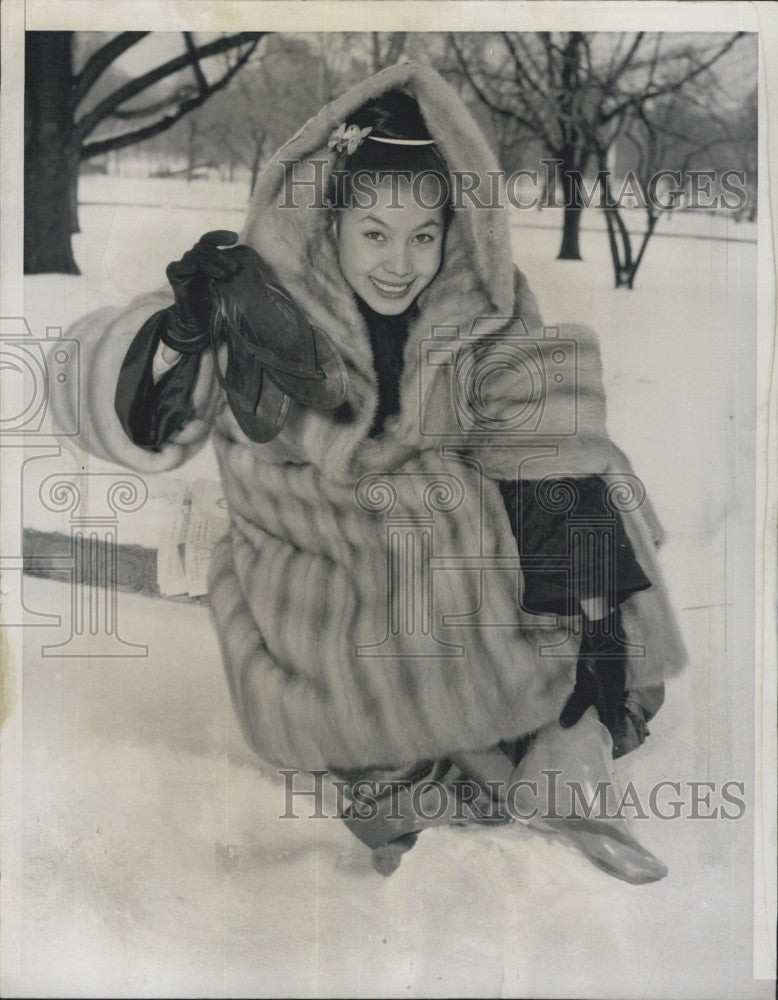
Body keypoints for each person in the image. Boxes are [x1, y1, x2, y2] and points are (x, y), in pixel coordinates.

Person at [58, 63, 687, 881]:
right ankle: (464, 780)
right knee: (386, 643)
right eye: (376, 233)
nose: (402, 262)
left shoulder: (480, 303)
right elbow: (107, 408)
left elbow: (550, 451)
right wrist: (176, 338)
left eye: (424, 234)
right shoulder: (260, 309)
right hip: (320, 566)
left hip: (443, 564)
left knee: (584, 495)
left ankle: (561, 746)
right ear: (332, 224)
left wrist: (597, 640)